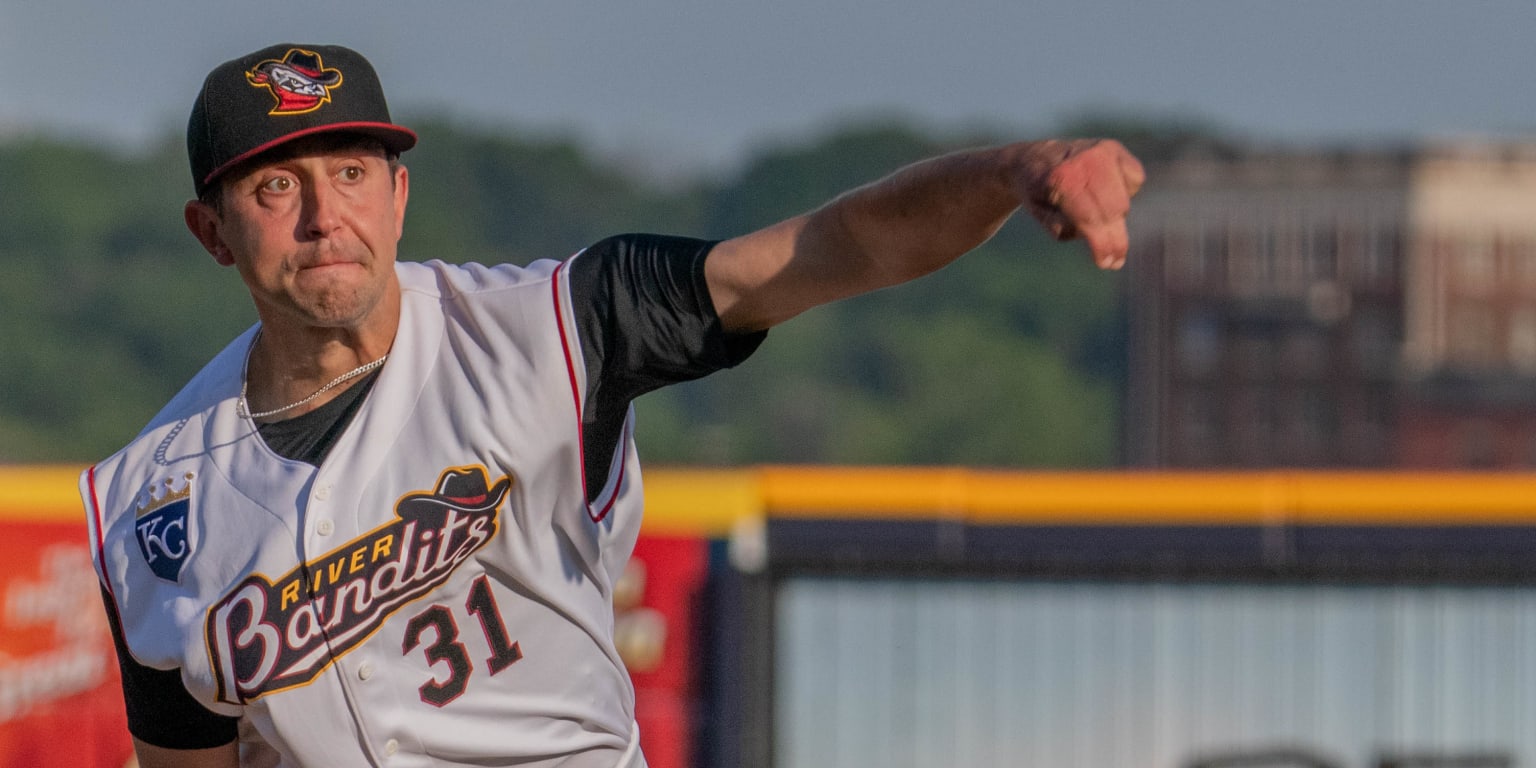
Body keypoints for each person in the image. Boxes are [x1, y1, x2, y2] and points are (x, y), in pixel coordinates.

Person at [81, 43, 1143, 768]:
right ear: (211, 232)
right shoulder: (145, 501)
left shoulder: (554, 324)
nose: (324, 215)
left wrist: (1017, 170)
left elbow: (831, 248)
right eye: (275, 187)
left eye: (352, 170)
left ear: (398, 193)